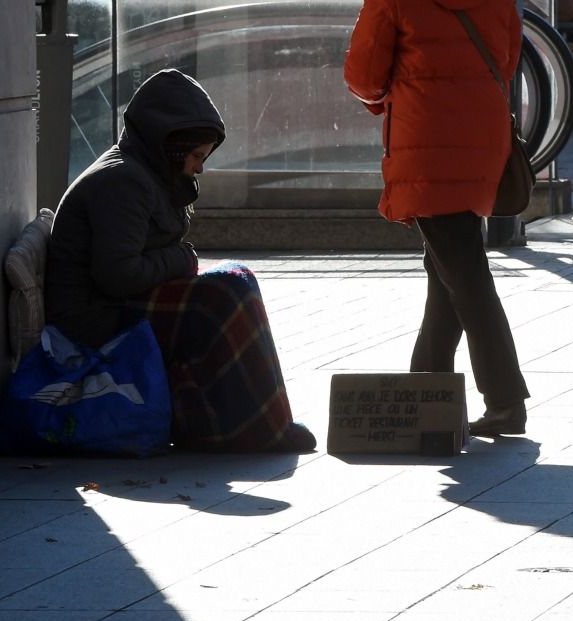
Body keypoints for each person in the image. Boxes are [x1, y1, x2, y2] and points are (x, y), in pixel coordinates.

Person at [45, 69, 315, 453]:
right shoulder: (123, 182)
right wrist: (181, 258)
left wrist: (178, 261)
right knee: (224, 295)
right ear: (171, 146)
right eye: (196, 156)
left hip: (113, 303)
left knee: (237, 280)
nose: (200, 167)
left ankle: (266, 421)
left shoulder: (146, 171)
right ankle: (256, 428)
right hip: (94, 318)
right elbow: (117, 275)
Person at [344, 0, 531, 436]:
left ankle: (505, 400)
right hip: (482, 139)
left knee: (465, 274)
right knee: (449, 268)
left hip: (425, 142)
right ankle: (426, 389)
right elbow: (507, 59)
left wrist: (396, 92)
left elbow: (364, 76)